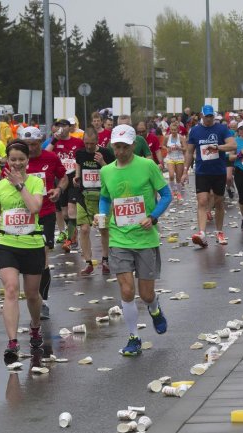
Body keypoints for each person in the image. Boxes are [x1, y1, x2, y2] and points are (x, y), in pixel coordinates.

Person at [97, 124, 171, 356]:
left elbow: (166, 195)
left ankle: (155, 309)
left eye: (124, 147)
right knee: (127, 291)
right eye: (116, 147)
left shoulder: (147, 165)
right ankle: (133, 337)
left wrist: (153, 217)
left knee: (146, 294)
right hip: (119, 238)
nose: (119, 152)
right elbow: (105, 197)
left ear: (133, 145)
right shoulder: (106, 171)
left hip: (145, 238)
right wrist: (102, 213)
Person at [0, 140, 44, 363]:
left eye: (21, 159)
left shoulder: (36, 182)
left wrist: (20, 185)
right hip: (7, 244)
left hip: (32, 244)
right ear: (7, 160)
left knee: (32, 295)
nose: (16, 163)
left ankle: (35, 327)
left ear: (27, 160)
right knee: (10, 289)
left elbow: (35, 208)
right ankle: (12, 342)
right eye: (12, 159)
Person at [22, 126, 68, 320]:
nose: (30, 149)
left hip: (46, 213)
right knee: (27, 260)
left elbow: (64, 177)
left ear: (40, 142)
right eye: (27, 145)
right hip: (23, 215)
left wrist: (58, 189)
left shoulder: (51, 159)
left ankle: (44, 302)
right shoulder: (17, 161)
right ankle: (33, 296)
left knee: (43, 257)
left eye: (33, 144)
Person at [182, 105, 236, 247]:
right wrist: (185, 171)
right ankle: (202, 233)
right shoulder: (195, 130)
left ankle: (219, 232)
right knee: (202, 201)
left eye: (211, 116)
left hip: (218, 171)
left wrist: (218, 147)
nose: (209, 119)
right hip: (202, 171)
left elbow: (233, 145)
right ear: (201, 115)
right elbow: (189, 152)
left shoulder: (221, 129)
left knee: (218, 202)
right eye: (206, 116)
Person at [74, 126, 114, 276]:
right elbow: (78, 163)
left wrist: (103, 162)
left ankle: (105, 260)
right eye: (86, 143)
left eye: (91, 143)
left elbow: (113, 172)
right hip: (83, 195)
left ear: (97, 141)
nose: (89, 146)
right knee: (84, 229)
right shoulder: (80, 153)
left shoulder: (106, 153)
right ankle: (88, 262)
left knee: (103, 229)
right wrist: (77, 176)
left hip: (101, 197)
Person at [46, 118, 85, 252]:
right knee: (64, 213)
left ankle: (71, 239)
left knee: (71, 209)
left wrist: (80, 175)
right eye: (58, 126)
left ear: (70, 127)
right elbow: (45, 154)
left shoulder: (78, 142)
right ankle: (71, 233)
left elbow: (84, 157)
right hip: (60, 180)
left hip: (74, 178)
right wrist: (54, 140)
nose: (61, 128)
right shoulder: (54, 142)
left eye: (64, 126)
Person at [163, 121, 186, 200]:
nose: (173, 131)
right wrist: (167, 149)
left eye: (175, 130)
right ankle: (173, 191)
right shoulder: (167, 137)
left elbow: (185, 148)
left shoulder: (181, 138)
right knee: (171, 175)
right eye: (172, 130)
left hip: (179, 158)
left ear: (178, 130)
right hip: (170, 158)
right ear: (170, 130)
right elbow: (163, 146)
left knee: (178, 178)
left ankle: (179, 193)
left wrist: (179, 148)